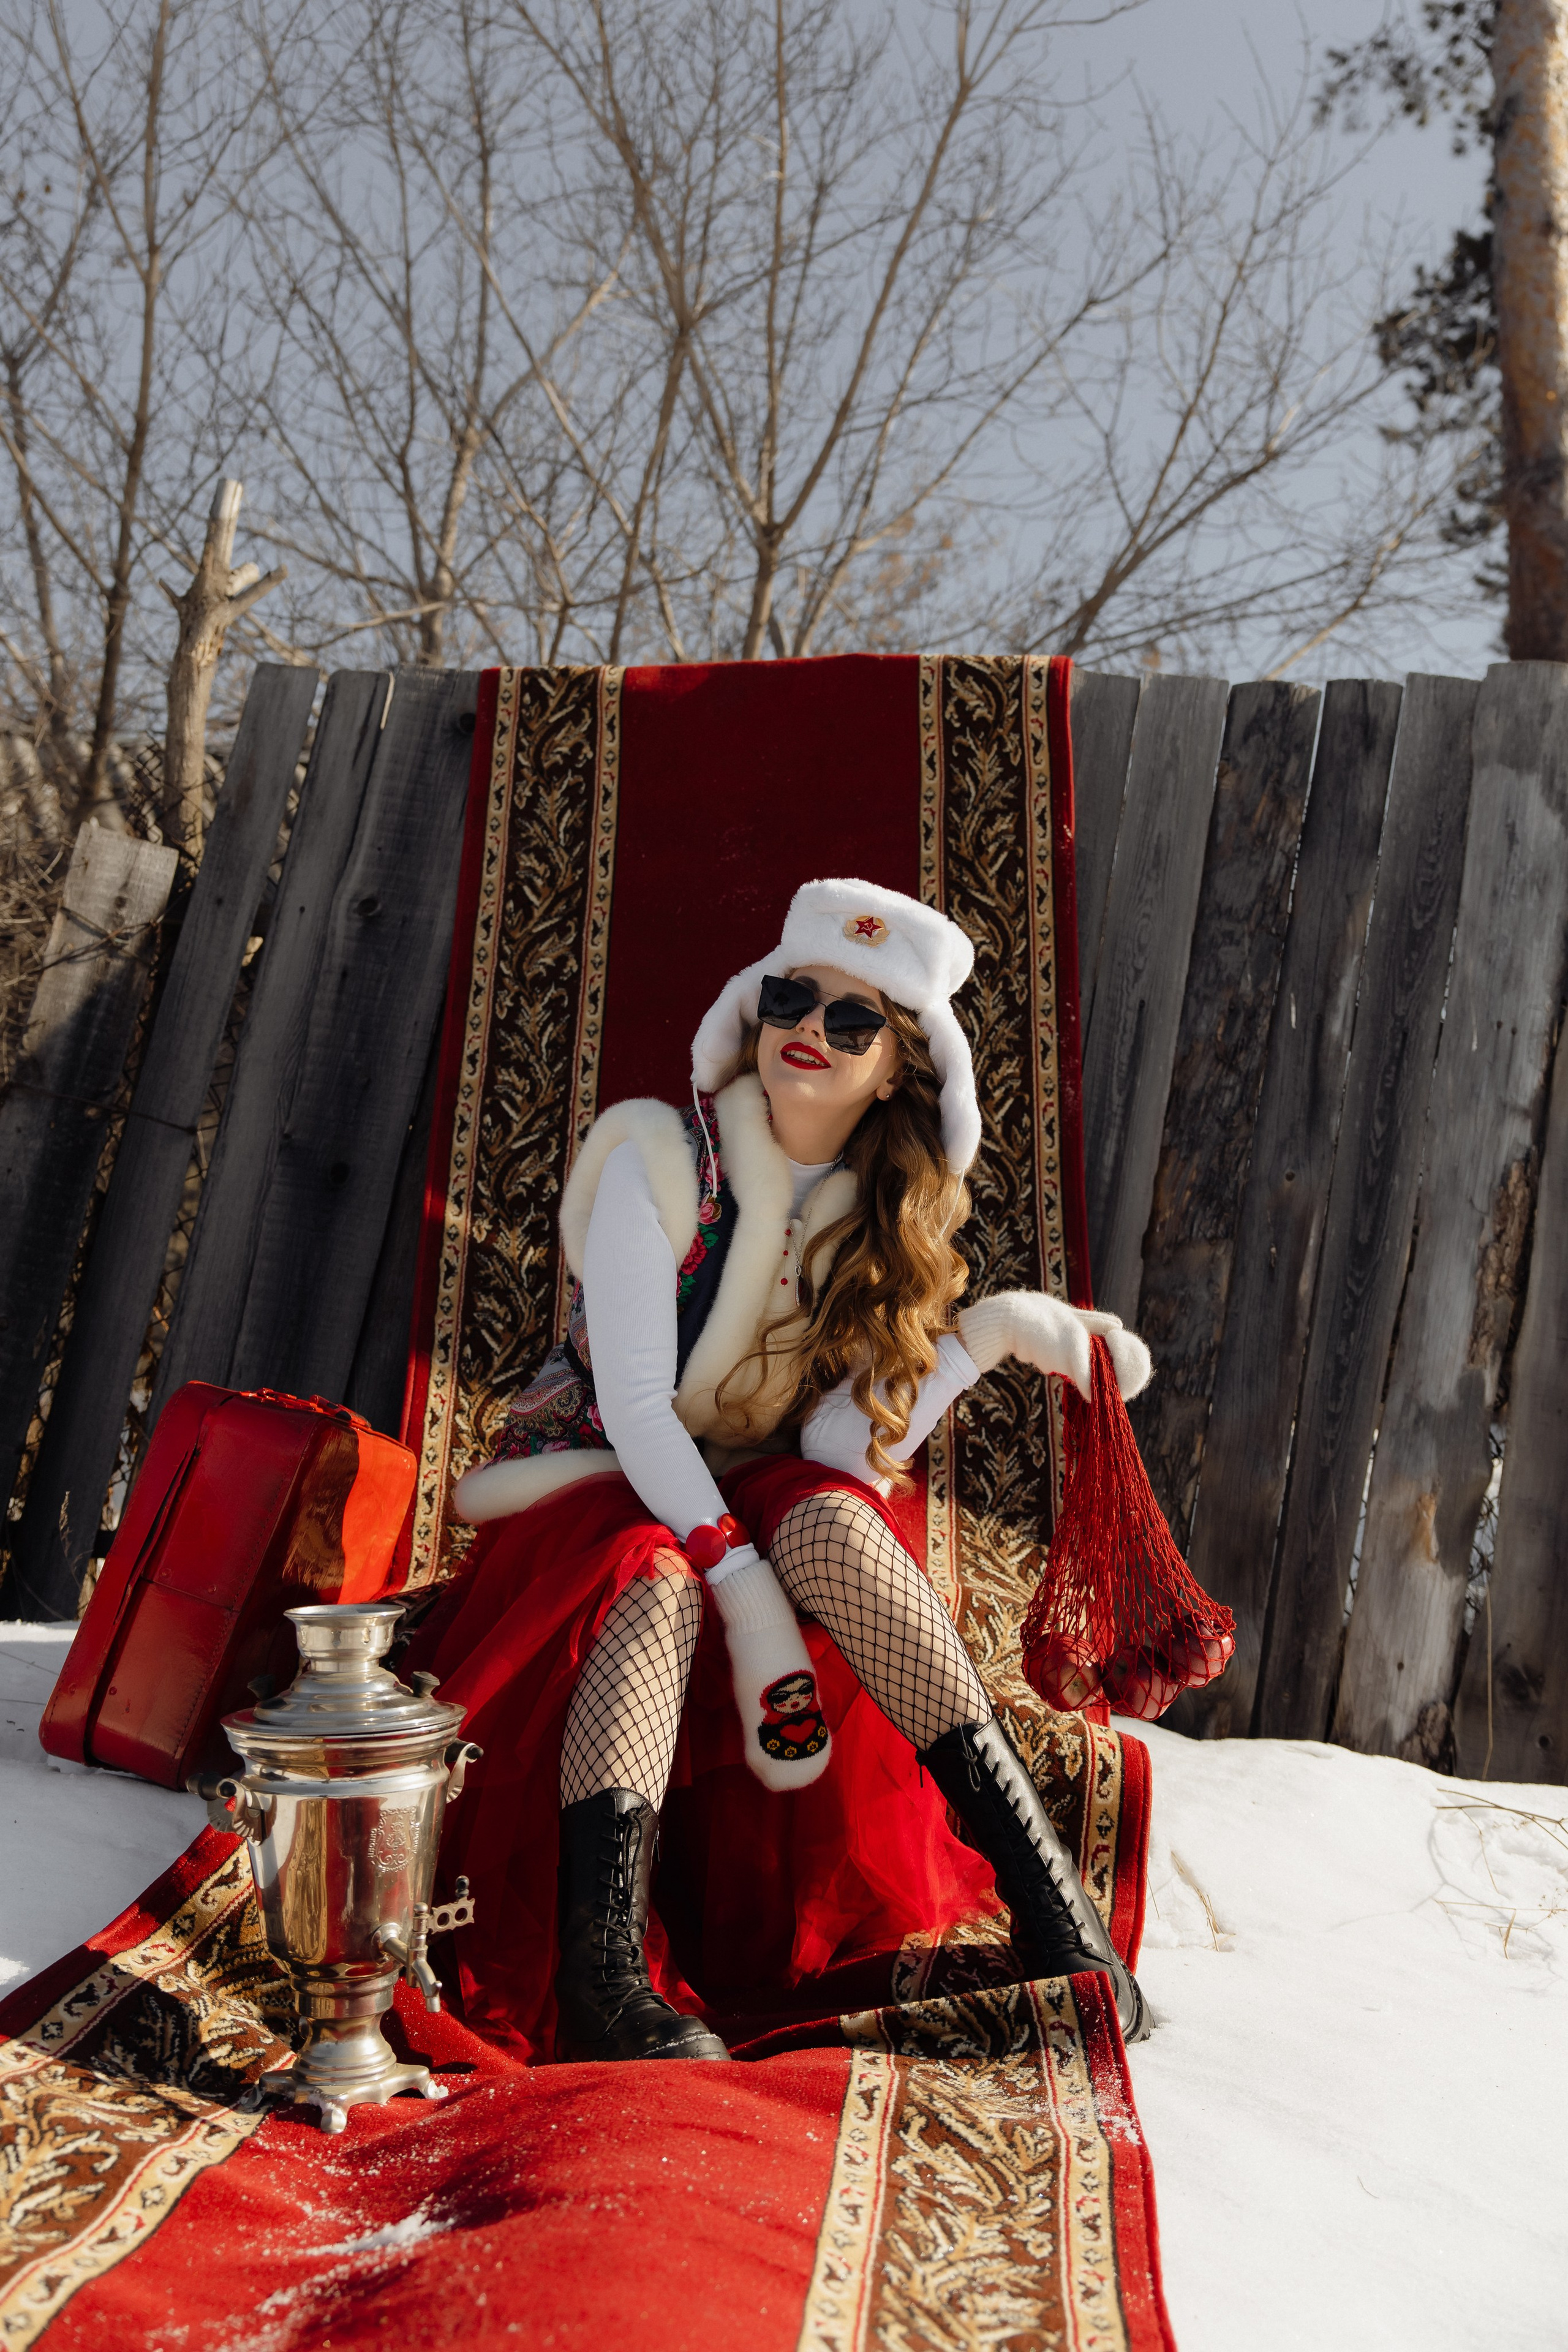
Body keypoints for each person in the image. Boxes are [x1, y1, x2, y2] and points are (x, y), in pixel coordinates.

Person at [412, 878, 1153, 2065]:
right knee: (652, 1573)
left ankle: (1053, 1911)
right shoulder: (656, 1159)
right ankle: (602, 1980)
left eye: (851, 1020)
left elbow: (837, 1451)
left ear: (897, 1068)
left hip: (741, 1482)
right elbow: (640, 1411)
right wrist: (741, 1587)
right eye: (790, 995)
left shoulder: (878, 1218)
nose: (808, 1025)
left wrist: (998, 1335)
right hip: (597, 1477)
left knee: (847, 1529)